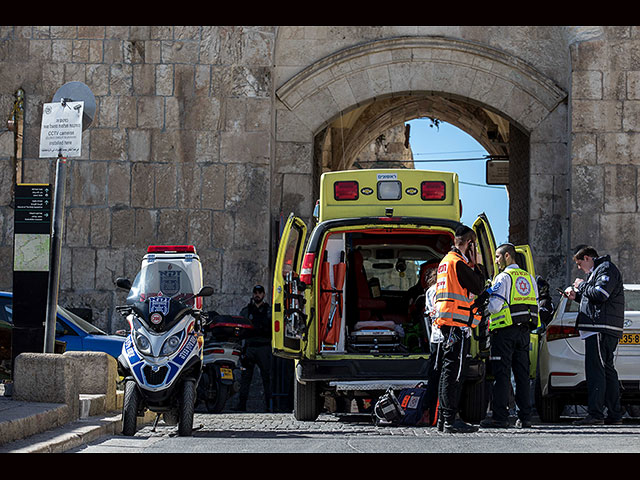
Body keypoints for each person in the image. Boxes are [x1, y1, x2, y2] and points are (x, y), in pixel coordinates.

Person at [479, 243, 539, 429]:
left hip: (504, 332)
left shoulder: (503, 278)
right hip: (524, 332)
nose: (496, 261)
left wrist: (485, 307)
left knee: (502, 374)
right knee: (521, 375)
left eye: (497, 257)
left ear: (507, 256)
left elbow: (495, 306)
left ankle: (500, 417)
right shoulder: (529, 278)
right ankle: (525, 417)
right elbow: (535, 301)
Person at [434, 225, 487, 433]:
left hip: (447, 322)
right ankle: (450, 420)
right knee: (454, 372)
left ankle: (443, 419)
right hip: (456, 323)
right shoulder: (459, 263)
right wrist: (477, 264)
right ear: (469, 243)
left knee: (446, 369)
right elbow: (479, 286)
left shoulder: (445, 262)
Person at [564, 245, 624, 425]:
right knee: (607, 371)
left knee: (596, 371)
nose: (579, 268)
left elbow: (601, 294)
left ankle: (596, 414)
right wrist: (577, 297)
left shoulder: (605, 269)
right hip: (600, 327)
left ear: (588, 257)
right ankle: (614, 414)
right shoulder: (598, 272)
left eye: (579, 263)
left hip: (599, 328)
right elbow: (594, 300)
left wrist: (581, 285)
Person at [235, 284, 273, 412]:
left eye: (260, 292)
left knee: (267, 378)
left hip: (264, 348)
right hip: (250, 347)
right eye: (255, 292)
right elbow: (240, 329)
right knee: (245, 377)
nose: (257, 295)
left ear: (263, 295)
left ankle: (270, 406)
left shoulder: (269, 311)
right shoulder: (247, 311)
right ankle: (241, 405)